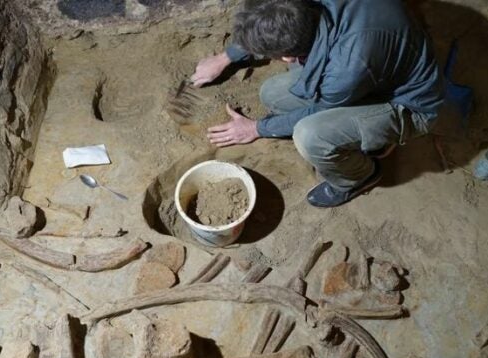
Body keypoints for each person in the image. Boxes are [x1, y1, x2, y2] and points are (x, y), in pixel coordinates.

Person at [189, 0, 445, 208]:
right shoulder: (305, 10)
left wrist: (256, 129)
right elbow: (267, 15)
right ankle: (369, 135)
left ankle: (359, 177)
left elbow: (319, 109)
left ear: (288, 56)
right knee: (273, 94)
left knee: (310, 135)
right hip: (383, 63)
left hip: (410, 104)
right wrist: (225, 58)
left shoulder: (346, 70)